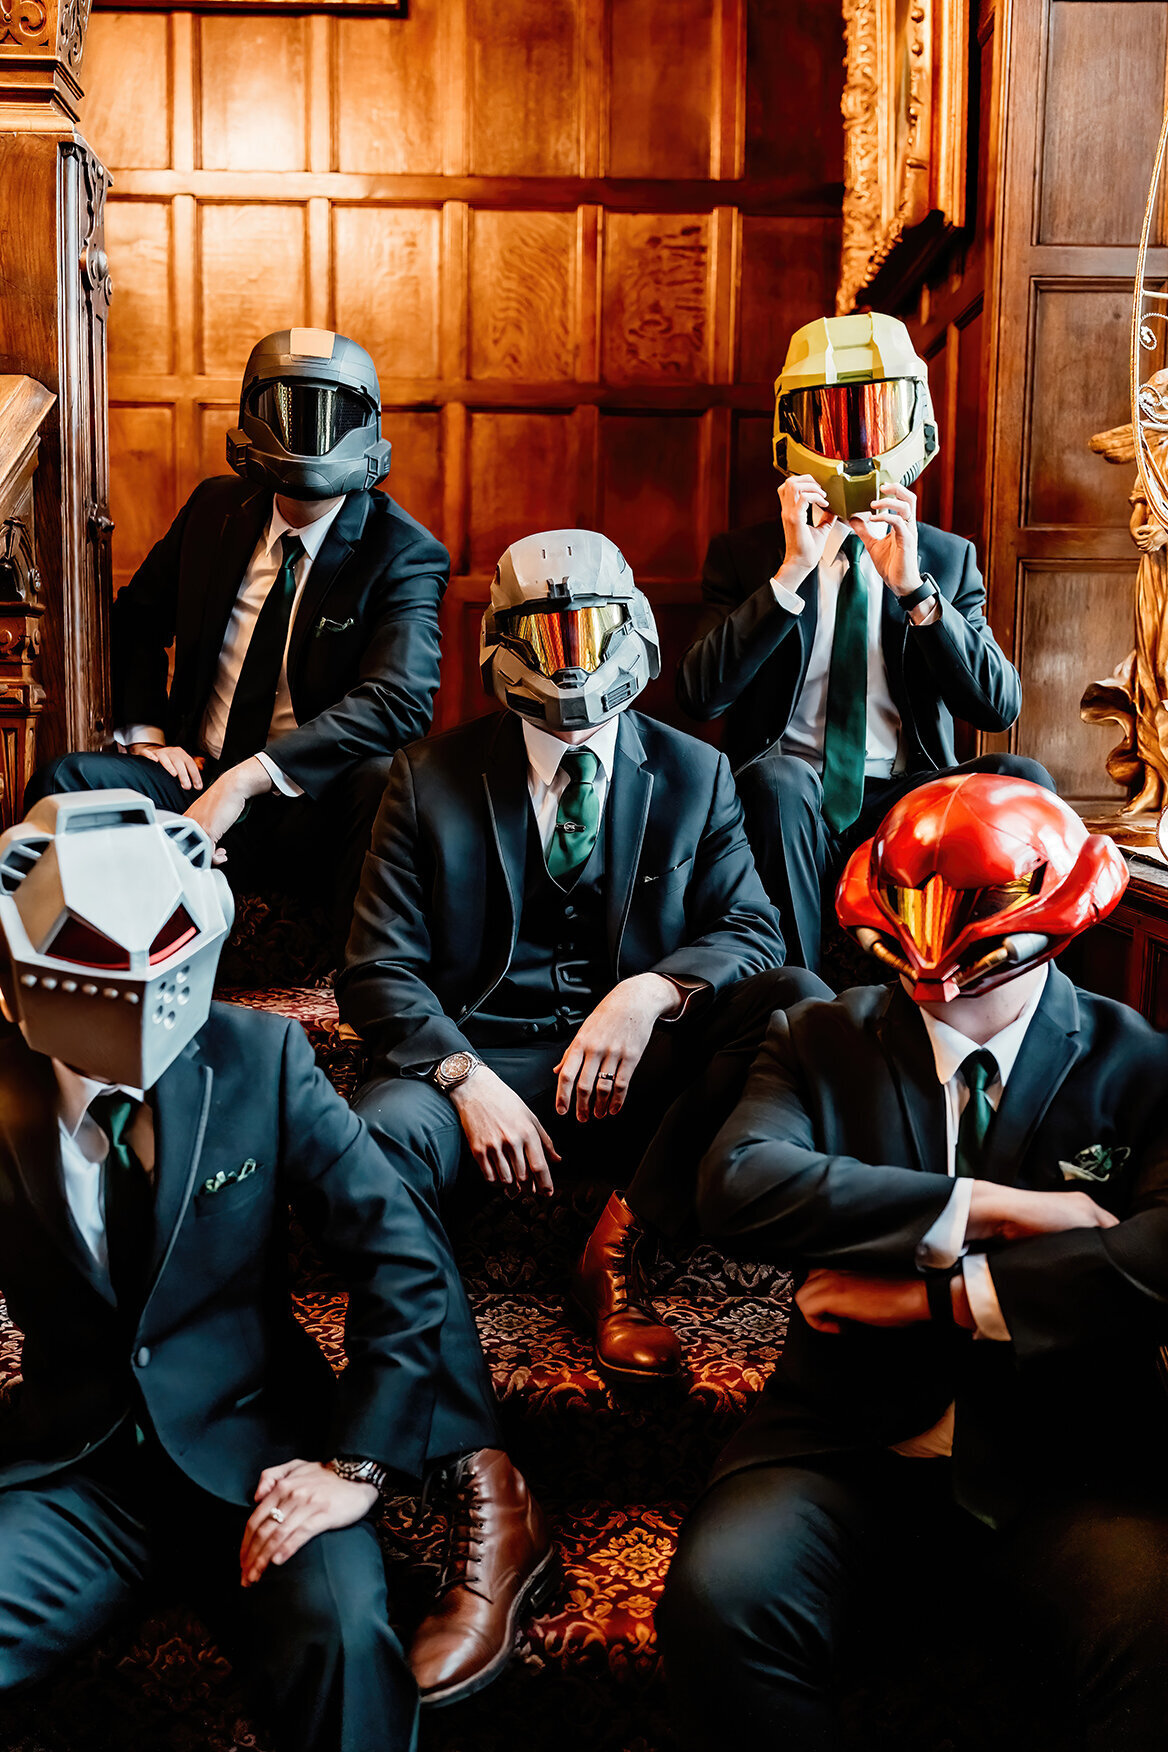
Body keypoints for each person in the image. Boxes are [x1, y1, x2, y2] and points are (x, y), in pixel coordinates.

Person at [337, 528, 826, 1707]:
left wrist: (650, 990)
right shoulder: (427, 776)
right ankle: (483, 1479)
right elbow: (373, 973)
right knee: (376, 1133)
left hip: (640, 1073)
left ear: (633, 637)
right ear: (502, 644)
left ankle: (619, 1237)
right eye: (546, 635)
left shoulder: (697, 773)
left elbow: (756, 935)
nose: (571, 659)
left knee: (795, 1008)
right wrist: (463, 1076)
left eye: (591, 632)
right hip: (483, 1068)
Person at [658, 772, 1168, 1752]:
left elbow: (1157, 1259)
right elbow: (740, 1182)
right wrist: (993, 1208)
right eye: (907, 965)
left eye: (983, 966)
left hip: (1073, 1458)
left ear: (1052, 930)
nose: (941, 998)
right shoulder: (812, 1038)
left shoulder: (1142, 1066)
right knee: (718, 1603)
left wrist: (943, 1298)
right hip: (842, 1449)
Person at [0, 787, 487, 1752]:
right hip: (75, 1476)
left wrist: (357, 1464)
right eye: (95, 963)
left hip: (263, 1459)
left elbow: (400, 1258)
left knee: (347, 1648)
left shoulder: (260, 1056)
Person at [26, 329, 448, 947]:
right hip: (193, 775)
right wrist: (148, 740)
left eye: (331, 412)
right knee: (65, 783)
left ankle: (356, 979)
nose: (311, 430)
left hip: (309, 800)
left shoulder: (403, 552)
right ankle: (82, 973)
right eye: (290, 410)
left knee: (383, 781)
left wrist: (247, 778)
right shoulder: (214, 510)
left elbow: (399, 702)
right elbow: (137, 619)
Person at [676, 310, 1051, 971]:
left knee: (1023, 780)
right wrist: (790, 573)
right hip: (791, 795)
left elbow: (997, 706)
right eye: (829, 419)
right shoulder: (744, 556)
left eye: (873, 417)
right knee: (780, 782)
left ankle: (1000, 997)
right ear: (790, 429)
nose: (852, 441)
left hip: (907, 795)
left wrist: (915, 591)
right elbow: (699, 696)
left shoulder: (946, 557)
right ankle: (797, 995)